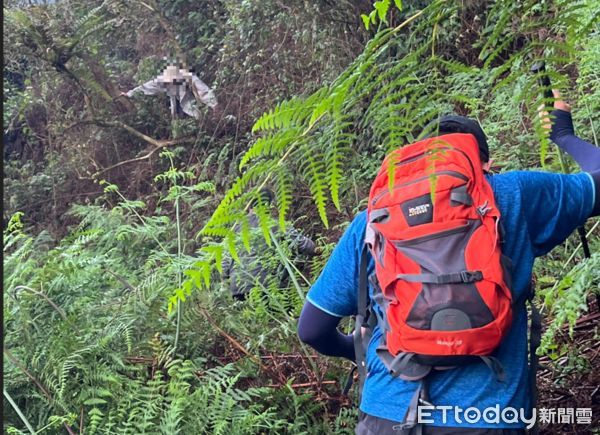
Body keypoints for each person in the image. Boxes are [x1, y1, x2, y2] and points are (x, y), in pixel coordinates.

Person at [297, 93, 599, 434]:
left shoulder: (371, 221)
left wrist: (360, 353)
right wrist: (564, 136)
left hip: (388, 415)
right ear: (482, 164)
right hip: (488, 417)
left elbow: (311, 329)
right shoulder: (515, 194)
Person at [222, 189, 317, 300]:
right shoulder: (274, 224)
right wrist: (319, 249)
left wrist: (225, 283)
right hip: (266, 286)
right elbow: (302, 244)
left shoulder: (235, 229)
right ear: (270, 205)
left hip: (238, 288)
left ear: (249, 206)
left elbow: (225, 262)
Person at [121, 64, 218, 119]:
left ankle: (205, 120)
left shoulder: (188, 77)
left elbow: (204, 91)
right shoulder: (161, 81)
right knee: (179, 115)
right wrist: (129, 94)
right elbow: (146, 87)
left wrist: (214, 105)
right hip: (177, 99)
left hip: (191, 96)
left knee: (197, 111)